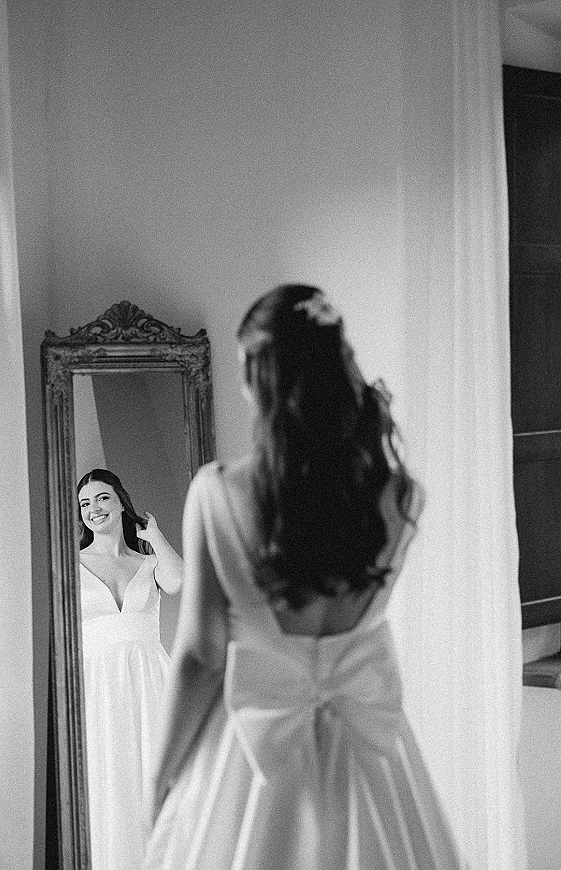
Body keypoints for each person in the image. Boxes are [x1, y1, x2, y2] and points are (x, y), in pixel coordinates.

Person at [145, 284, 468, 870]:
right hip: (371, 760)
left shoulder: (217, 495)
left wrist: (162, 775)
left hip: (246, 764)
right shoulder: (401, 497)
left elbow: (201, 654)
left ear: (253, 374)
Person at [77, 468, 183, 870]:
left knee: (153, 780)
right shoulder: (71, 563)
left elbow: (178, 581)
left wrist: (154, 536)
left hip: (149, 681)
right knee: (110, 781)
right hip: (98, 684)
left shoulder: (149, 562)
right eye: (85, 504)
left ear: (121, 500)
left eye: (102, 498)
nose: (94, 510)